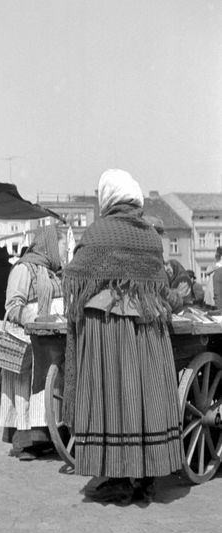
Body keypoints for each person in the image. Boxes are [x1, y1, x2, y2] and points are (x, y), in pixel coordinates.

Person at [63, 169, 182, 504]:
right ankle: (146, 474)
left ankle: (115, 469)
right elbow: (159, 283)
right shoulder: (150, 235)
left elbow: (75, 274)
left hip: (109, 329)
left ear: (108, 197)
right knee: (145, 395)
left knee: (111, 395)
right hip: (148, 326)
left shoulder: (99, 232)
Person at [0, 225, 65, 460]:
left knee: (50, 388)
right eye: (62, 244)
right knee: (27, 389)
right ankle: (26, 441)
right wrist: (33, 318)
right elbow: (13, 305)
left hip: (51, 339)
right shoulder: (24, 268)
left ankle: (48, 436)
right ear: (50, 245)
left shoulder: (56, 272)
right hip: (29, 341)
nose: (65, 249)